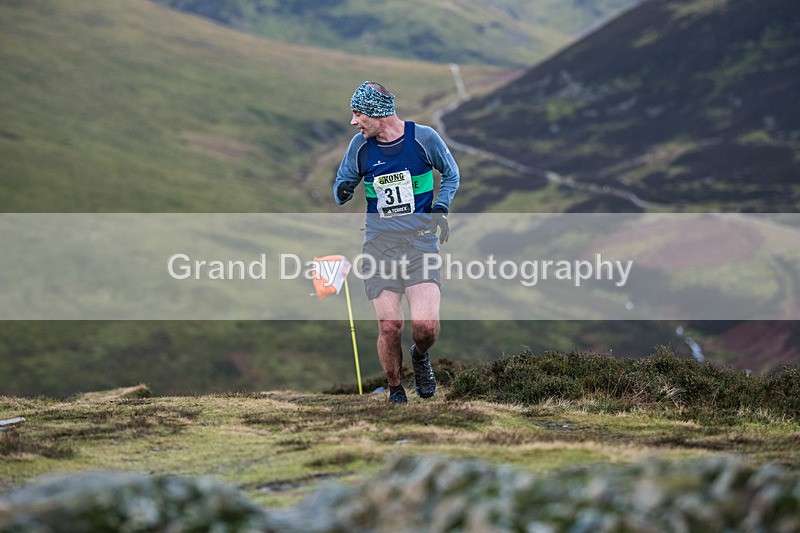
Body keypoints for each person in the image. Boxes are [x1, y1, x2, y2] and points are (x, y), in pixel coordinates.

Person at [334, 81, 460, 404]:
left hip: (420, 245)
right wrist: (344, 189)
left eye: (358, 114)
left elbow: (451, 173)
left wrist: (441, 208)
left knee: (426, 327)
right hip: (379, 246)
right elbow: (341, 185)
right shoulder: (360, 148)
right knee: (390, 326)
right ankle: (395, 390)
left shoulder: (423, 139)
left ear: (377, 114)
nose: (354, 122)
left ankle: (419, 357)